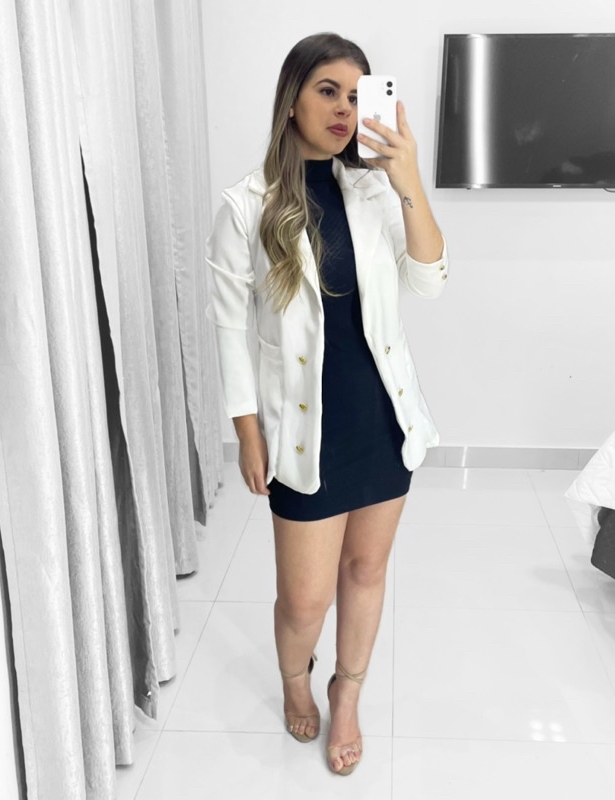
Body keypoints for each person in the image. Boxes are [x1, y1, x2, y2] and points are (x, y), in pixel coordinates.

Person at [205, 32, 447, 776]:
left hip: (381, 420)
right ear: (292, 102)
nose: (345, 108)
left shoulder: (374, 191)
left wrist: (407, 177)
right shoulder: (246, 205)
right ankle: (293, 678)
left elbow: (430, 281)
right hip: (302, 431)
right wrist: (247, 431)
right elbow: (229, 327)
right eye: (328, 91)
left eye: (356, 93)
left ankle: (347, 692)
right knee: (305, 600)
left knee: (366, 573)